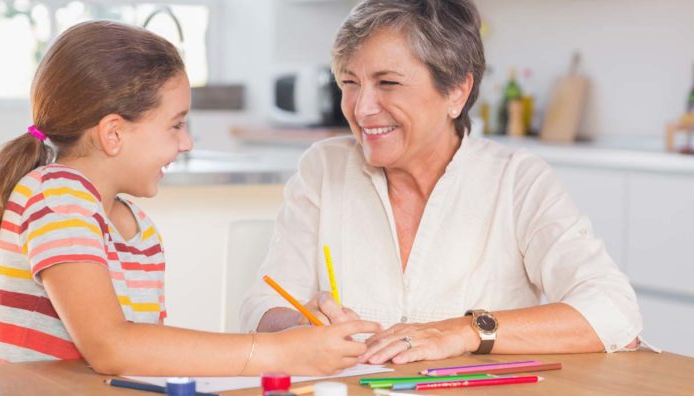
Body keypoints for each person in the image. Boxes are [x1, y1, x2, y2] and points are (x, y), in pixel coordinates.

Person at [0, 21, 379, 376]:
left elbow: (144, 352)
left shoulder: (136, 228)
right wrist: (278, 352)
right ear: (113, 134)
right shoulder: (56, 196)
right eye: (176, 125)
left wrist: (292, 338)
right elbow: (113, 347)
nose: (186, 142)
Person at [239, 0, 642, 364]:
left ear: (457, 91)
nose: (361, 108)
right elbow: (262, 306)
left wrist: (463, 332)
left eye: (388, 83)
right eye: (349, 83)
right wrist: (301, 326)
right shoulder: (324, 168)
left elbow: (614, 311)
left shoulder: (516, 180)